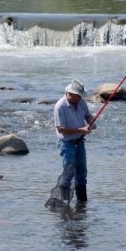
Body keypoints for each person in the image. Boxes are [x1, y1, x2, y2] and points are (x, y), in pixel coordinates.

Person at [48, 79, 96, 207]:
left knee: (82, 172)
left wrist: (91, 121)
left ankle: (82, 203)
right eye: (78, 96)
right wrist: (80, 130)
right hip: (66, 142)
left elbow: (87, 115)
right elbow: (61, 128)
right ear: (71, 94)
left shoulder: (81, 102)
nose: (80, 98)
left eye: (81, 96)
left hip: (80, 142)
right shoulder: (60, 106)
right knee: (69, 172)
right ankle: (64, 202)